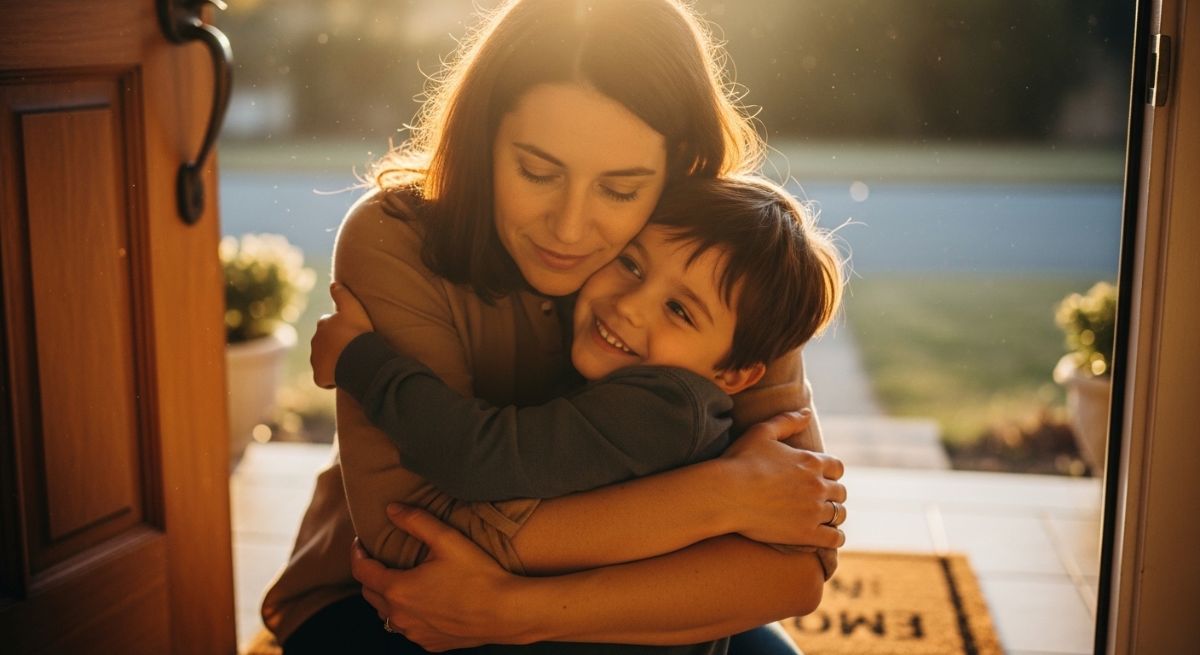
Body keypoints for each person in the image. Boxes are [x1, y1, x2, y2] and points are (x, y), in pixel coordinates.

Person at [260, 1, 848, 653]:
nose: (569, 229)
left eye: (621, 189)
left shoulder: (729, 255)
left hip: (599, 590)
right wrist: (721, 499)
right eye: (538, 172)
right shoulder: (394, 234)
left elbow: (797, 567)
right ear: (484, 140)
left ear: (679, 165)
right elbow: (410, 542)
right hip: (379, 598)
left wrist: (519, 611)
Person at [310, 175, 847, 585]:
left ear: (734, 374)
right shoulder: (666, 391)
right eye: (632, 266)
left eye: (680, 311)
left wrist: (361, 361)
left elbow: (479, 457)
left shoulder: (665, 409)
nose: (630, 307)